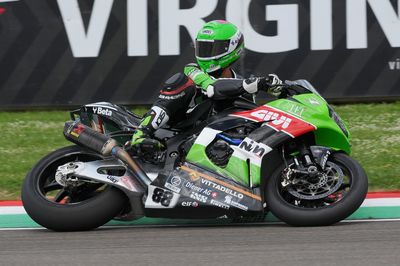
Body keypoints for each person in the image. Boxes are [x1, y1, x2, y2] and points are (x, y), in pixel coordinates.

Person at [129, 20, 283, 155]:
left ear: (233, 48)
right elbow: (213, 88)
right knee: (182, 82)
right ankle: (142, 132)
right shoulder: (192, 69)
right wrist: (255, 83)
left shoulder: (240, 84)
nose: (206, 54)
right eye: (202, 48)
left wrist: (278, 88)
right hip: (178, 130)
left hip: (215, 139)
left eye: (213, 49)